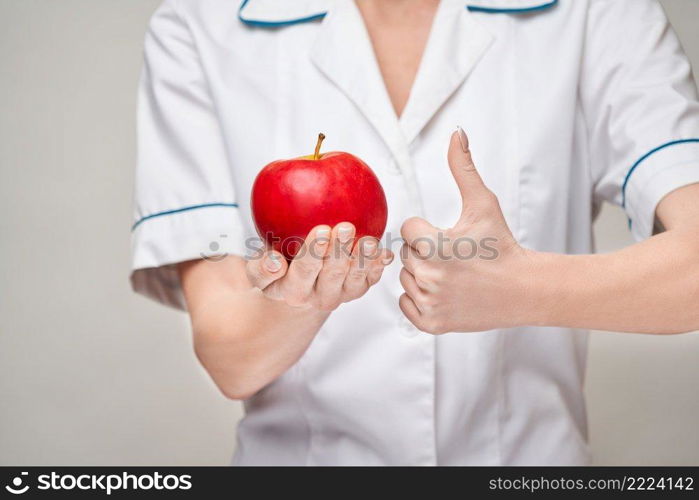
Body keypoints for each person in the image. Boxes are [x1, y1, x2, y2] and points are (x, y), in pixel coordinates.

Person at [131, 0, 699, 465]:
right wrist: (303, 301)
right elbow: (231, 360)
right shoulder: (198, 24)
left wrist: (523, 288)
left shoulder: (598, 11)